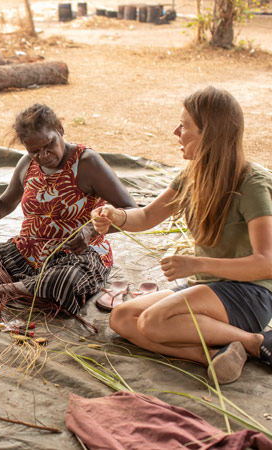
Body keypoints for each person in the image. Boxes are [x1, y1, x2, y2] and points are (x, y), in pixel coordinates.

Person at [91, 86, 272, 384]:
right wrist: (116, 216)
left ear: (210, 134)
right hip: (208, 287)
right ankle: (216, 354)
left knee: (154, 321)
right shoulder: (193, 175)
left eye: (185, 126)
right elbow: (148, 216)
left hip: (248, 293)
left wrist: (197, 264)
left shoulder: (252, 184)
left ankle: (254, 341)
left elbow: (266, 263)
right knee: (121, 318)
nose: (176, 131)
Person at [0, 104, 136, 314]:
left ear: (60, 130)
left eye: (49, 145)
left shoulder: (87, 162)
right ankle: (22, 289)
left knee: (62, 282)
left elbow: (131, 209)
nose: (44, 155)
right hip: (27, 251)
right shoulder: (27, 163)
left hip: (77, 255)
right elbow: (3, 204)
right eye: (34, 151)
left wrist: (90, 231)